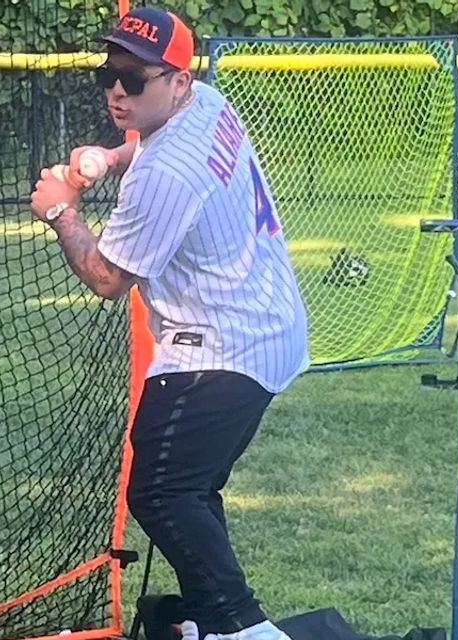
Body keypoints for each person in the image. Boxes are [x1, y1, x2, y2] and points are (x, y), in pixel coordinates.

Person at [30, 8, 309, 640]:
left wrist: (60, 212)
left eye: (134, 77)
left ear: (177, 82)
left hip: (221, 347)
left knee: (160, 493)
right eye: (109, 73)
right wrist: (109, 153)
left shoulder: (166, 173)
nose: (117, 91)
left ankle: (247, 628)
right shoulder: (205, 101)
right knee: (192, 489)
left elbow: (106, 278)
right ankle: (213, 623)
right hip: (268, 326)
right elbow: (143, 140)